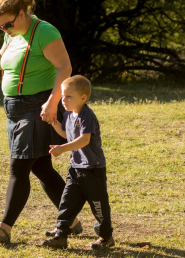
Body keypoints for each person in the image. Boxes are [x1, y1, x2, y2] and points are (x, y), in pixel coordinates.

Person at [0, 0, 83, 243]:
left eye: (7, 24)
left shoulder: (44, 32)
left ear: (21, 14)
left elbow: (65, 67)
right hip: (14, 109)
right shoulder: (12, 32)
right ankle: (72, 220)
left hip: (37, 107)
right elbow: (1, 54)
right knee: (41, 166)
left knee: (19, 167)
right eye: (0, 27)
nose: (4, 30)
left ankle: (4, 228)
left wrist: (53, 102)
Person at [40, 75, 115, 250]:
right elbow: (67, 134)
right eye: (63, 96)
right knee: (66, 203)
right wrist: (54, 122)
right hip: (75, 169)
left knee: (99, 206)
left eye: (68, 97)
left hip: (92, 170)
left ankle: (106, 237)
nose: (64, 100)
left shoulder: (86, 115)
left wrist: (62, 149)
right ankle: (61, 236)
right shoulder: (68, 115)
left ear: (83, 97)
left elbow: (84, 140)